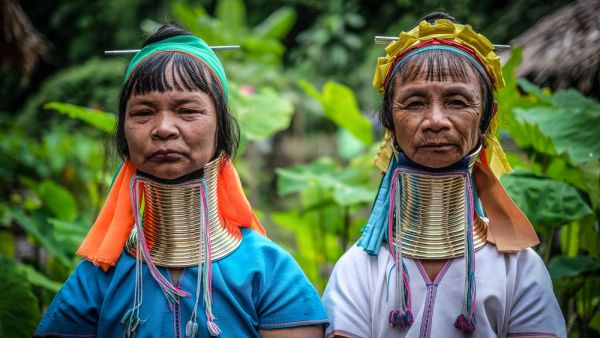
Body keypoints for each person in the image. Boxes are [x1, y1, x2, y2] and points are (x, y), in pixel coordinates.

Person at [35, 24, 328, 338]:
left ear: (222, 131)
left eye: (187, 110)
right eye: (143, 112)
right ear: (123, 135)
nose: (163, 128)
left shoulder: (270, 274)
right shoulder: (97, 279)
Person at [322, 12, 567, 338]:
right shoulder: (359, 270)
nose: (435, 120)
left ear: (487, 117)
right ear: (389, 121)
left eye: (456, 101)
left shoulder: (519, 270)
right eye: (414, 102)